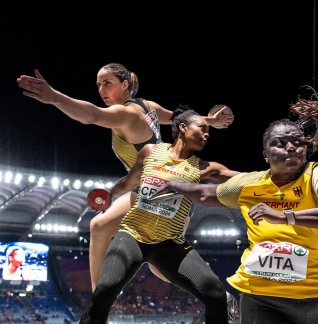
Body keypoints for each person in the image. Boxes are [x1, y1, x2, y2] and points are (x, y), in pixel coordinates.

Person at [147, 35, 318, 323]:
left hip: (314, 299)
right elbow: (207, 195)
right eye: (280, 143)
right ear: (265, 154)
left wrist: (285, 217)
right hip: (258, 297)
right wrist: (174, 185)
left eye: (297, 142)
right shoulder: (250, 183)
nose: (290, 147)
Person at [16, 63, 234, 291]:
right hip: (151, 192)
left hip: (164, 198)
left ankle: (217, 294)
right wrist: (210, 121)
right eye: (99, 84)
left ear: (125, 85)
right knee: (100, 227)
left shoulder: (125, 113)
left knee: (161, 266)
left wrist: (54, 97)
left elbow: (90, 115)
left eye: (108, 83)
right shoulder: (147, 106)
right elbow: (178, 119)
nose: (101, 89)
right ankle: (97, 304)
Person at [77, 106, 240, 324]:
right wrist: (109, 193)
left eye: (207, 130)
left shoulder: (205, 169)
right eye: (202, 128)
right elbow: (129, 182)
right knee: (103, 294)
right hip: (132, 236)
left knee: (217, 296)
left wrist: (278, 176)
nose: (207, 133)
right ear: (182, 127)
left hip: (168, 244)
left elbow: (243, 179)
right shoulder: (150, 152)